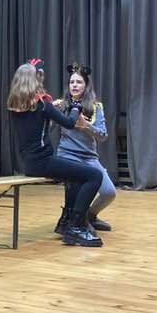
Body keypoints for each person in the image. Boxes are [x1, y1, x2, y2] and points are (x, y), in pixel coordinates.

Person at [7, 61, 104, 247]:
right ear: (34, 81)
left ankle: (66, 222)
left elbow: (37, 127)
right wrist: (76, 107)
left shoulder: (14, 106)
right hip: (44, 162)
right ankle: (76, 227)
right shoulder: (43, 104)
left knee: (77, 178)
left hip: (29, 163)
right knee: (94, 176)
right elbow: (69, 123)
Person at [54, 63, 116, 234]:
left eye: (79, 82)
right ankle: (74, 219)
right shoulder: (62, 105)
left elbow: (103, 135)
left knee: (109, 192)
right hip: (67, 155)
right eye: (72, 82)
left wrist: (86, 125)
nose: (74, 85)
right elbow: (48, 125)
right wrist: (48, 109)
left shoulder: (96, 107)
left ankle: (90, 215)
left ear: (86, 85)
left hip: (89, 157)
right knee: (78, 187)